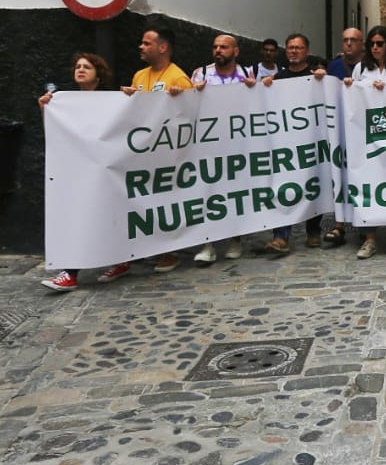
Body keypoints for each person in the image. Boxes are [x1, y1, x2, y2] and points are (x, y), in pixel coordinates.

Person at [39, 53, 131, 291]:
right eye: (77, 67)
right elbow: (56, 132)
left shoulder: (111, 101)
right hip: (77, 172)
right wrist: (46, 110)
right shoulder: (64, 103)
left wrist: (134, 100)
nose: (80, 70)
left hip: (104, 170)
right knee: (78, 217)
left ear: (98, 75)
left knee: (104, 216)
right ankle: (71, 272)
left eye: (86, 67)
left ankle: (120, 261)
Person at [121, 26, 193, 271]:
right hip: (143, 151)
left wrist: (181, 96)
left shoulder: (178, 78)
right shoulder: (139, 76)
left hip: (167, 154)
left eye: (146, 43)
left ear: (163, 48)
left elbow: (191, 117)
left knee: (166, 201)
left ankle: (169, 251)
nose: (141, 47)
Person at [345, 25, 386, 258]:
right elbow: (353, 95)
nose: (374, 48)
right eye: (371, 43)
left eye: (379, 43)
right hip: (366, 135)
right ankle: (370, 238)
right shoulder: (361, 68)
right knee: (368, 181)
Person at [190, 34, 257, 265]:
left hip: (236, 143)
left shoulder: (246, 74)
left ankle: (234, 239)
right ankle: (207, 243)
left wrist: (255, 89)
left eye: (224, 47)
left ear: (235, 51)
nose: (218, 50)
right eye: (215, 47)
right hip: (208, 144)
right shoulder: (201, 74)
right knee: (207, 192)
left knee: (235, 191)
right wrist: (193, 93)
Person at [263, 33, 328, 254]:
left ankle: (313, 230)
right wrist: (263, 87)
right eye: (290, 47)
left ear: (306, 51)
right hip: (286, 144)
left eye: (298, 48)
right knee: (284, 186)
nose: (293, 51)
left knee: (313, 184)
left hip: (311, 141)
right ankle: (281, 236)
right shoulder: (277, 80)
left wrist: (324, 80)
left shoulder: (317, 78)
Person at [321, 27, 367, 248]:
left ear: (361, 44)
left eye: (353, 40)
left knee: (363, 175)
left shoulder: (369, 66)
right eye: (345, 40)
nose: (348, 44)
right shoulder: (334, 66)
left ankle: (363, 222)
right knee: (340, 175)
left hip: (362, 129)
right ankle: (339, 224)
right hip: (339, 130)